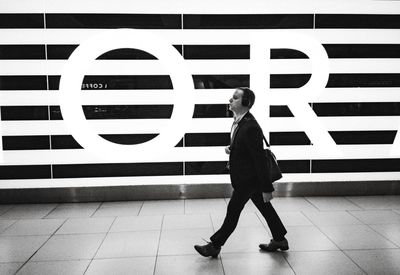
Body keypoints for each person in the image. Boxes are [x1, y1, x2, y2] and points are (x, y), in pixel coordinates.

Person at [194, 87, 288, 258]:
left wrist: (267, 188)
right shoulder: (241, 121)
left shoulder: (250, 126)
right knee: (266, 209)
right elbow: (247, 148)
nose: (230, 100)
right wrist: (233, 148)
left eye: (235, 98)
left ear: (246, 103)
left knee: (233, 212)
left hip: (248, 180)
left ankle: (215, 245)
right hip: (248, 178)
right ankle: (280, 238)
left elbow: (259, 160)